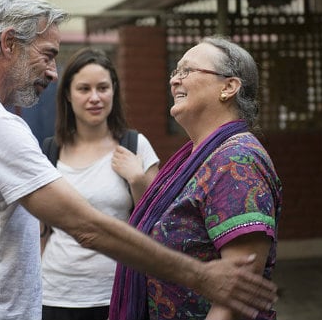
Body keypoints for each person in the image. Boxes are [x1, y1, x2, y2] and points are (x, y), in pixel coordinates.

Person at [0, 0, 277, 320]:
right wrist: (199, 276)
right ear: (8, 44)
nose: (53, 73)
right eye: (49, 55)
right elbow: (85, 225)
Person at [110, 36, 283, 320]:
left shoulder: (236, 161)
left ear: (228, 87)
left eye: (187, 71)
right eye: (175, 72)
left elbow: (238, 293)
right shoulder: (198, 157)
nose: (175, 80)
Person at [39, 47, 160, 320]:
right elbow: (41, 232)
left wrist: (137, 180)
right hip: (56, 294)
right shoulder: (50, 151)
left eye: (103, 88)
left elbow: (158, 225)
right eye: (84, 89)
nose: (95, 97)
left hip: (118, 293)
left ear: (113, 91)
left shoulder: (135, 146)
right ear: (68, 95)